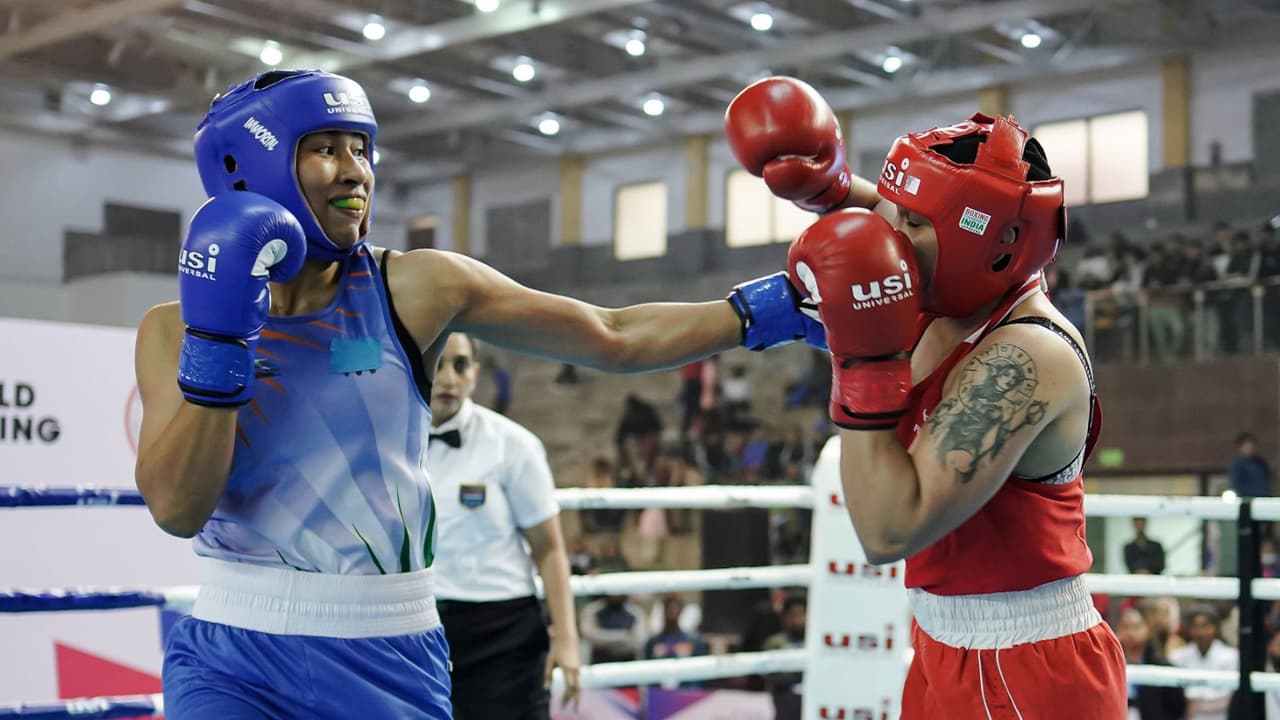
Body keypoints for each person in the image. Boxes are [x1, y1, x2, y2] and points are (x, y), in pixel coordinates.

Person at [134, 70, 824, 719]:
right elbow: (177, 508)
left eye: (362, 149)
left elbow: (611, 334)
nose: (355, 172)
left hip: (386, 652)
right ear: (243, 169)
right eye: (323, 149)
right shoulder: (172, 331)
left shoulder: (414, 287)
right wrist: (220, 340)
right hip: (233, 652)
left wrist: (777, 306)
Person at [724, 76, 1127, 717]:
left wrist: (862, 363)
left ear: (988, 242)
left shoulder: (1027, 356)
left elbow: (887, 530)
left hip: (1025, 668)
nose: (893, 238)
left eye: (914, 221)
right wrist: (828, 190)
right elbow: (915, 218)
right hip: (942, 644)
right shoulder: (956, 290)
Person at [426, 332, 579, 718]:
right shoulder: (387, 442)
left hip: (503, 635)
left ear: (475, 372)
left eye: (460, 365)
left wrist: (567, 639)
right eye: (438, 363)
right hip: (418, 628)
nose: (448, 378)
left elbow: (549, 549)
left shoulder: (513, 445)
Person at [1115, 607, 1186, 720]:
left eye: (1136, 627)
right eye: (1126, 627)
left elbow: (1177, 708)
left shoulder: (1163, 668)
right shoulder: (1110, 666)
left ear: (1148, 629)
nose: (1131, 633)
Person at [1170, 605, 1236, 720]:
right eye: (1195, 626)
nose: (1200, 632)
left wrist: (1200, 705)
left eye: (1205, 626)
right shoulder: (1179, 656)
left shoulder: (1230, 656)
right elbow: (1176, 696)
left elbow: (1230, 697)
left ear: (1215, 628)